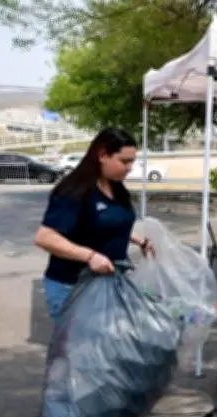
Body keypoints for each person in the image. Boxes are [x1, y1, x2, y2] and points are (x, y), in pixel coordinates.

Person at [34, 127, 154, 320]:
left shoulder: (116, 188)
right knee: (82, 348)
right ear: (103, 155)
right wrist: (90, 256)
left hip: (109, 284)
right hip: (72, 287)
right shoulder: (74, 191)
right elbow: (45, 238)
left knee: (109, 346)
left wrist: (139, 241)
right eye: (124, 161)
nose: (130, 167)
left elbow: (106, 224)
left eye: (132, 161)